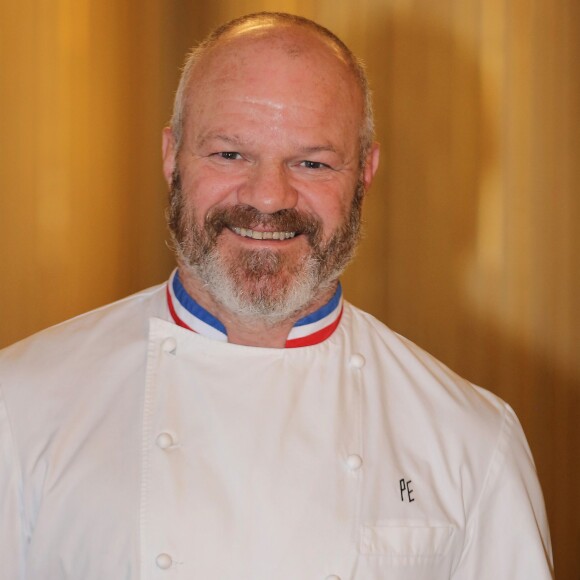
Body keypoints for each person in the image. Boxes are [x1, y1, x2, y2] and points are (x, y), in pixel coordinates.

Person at [0, 12, 553, 580]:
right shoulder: (20, 407)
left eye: (311, 162)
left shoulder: (473, 441)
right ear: (172, 156)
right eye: (230, 154)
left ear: (365, 172)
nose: (268, 198)